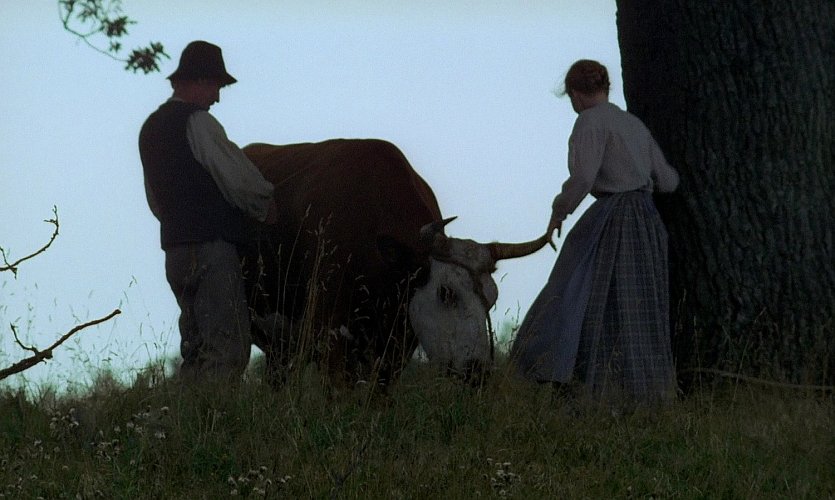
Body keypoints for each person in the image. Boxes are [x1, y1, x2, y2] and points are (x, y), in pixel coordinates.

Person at [511, 59, 680, 405]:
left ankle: (558, 372)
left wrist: (559, 211)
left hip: (612, 218)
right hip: (647, 221)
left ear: (575, 94)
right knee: (637, 306)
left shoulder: (589, 121)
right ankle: (642, 393)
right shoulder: (632, 123)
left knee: (573, 290)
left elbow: (584, 178)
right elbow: (668, 180)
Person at [138, 40, 277, 382]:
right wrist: (266, 206)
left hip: (175, 252)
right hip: (211, 250)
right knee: (226, 350)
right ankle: (214, 415)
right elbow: (239, 180)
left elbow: (155, 200)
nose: (216, 97)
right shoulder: (199, 123)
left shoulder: (150, 128)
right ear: (199, 81)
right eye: (216, 86)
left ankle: (187, 415)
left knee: (195, 349)